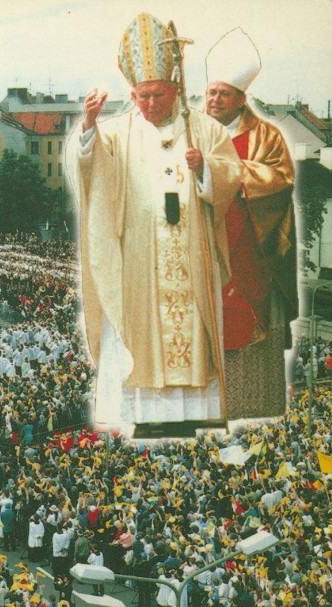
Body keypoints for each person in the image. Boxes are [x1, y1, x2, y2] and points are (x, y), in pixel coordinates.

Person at [67, 13, 241, 436]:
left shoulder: (205, 129)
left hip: (193, 259)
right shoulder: (118, 132)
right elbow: (87, 168)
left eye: (158, 95)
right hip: (141, 262)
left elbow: (230, 175)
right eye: (142, 96)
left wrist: (205, 172)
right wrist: (88, 127)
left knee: (194, 337)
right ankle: (148, 418)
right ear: (133, 93)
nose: (149, 105)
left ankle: (196, 413)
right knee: (144, 341)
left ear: (176, 89)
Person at [204, 28, 297, 420]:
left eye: (223, 94)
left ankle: (253, 407)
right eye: (210, 92)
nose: (213, 101)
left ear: (242, 99)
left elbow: (281, 179)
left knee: (248, 324)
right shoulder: (193, 131)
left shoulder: (266, 135)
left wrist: (225, 172)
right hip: (205, 246)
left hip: (250, 249)